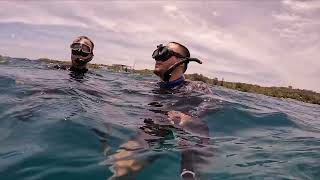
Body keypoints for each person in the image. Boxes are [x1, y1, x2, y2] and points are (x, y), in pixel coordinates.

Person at [109, 42, 213, 180]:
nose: (157, 58)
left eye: (164, 53)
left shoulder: (196, 87)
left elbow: (215, 103)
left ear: (182, 62)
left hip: (188, 137)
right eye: (157, 52)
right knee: (119, 168)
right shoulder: (149, 86)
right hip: (152, 130)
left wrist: (190, 118)